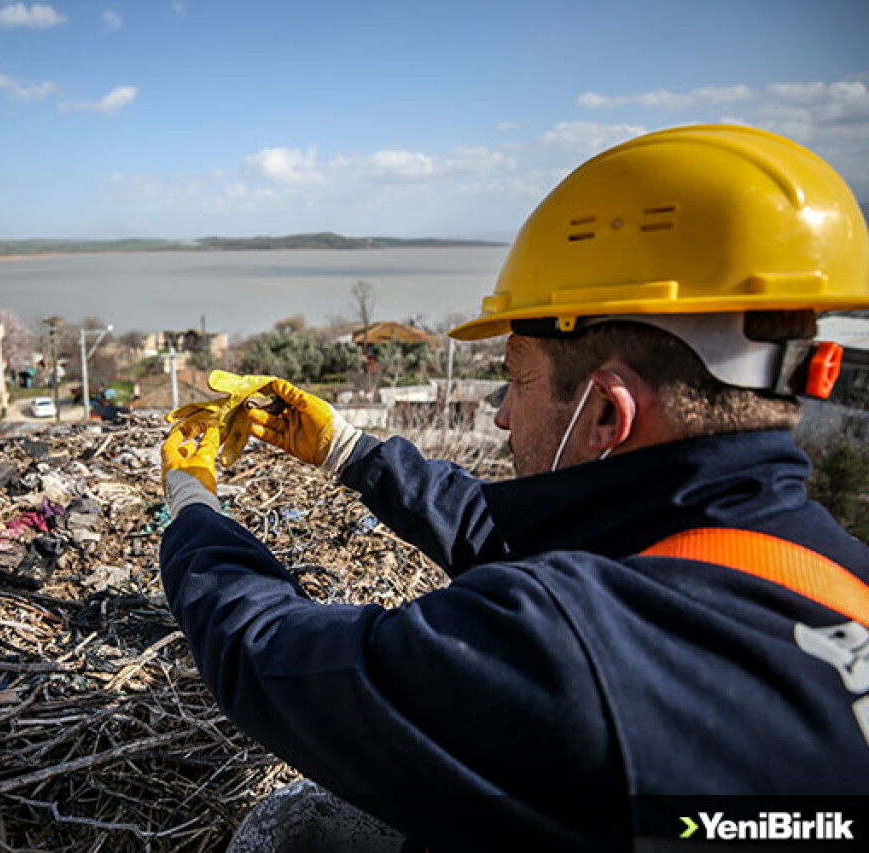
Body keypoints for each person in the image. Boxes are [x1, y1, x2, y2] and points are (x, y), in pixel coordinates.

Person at [158, 124, 869, 852]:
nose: (501, 412)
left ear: (606, 411)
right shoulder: (831, 573)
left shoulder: (568, 652)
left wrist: (190, 502)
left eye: (517, 379)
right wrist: (346, 449)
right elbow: (515, 534)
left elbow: (272, 655)